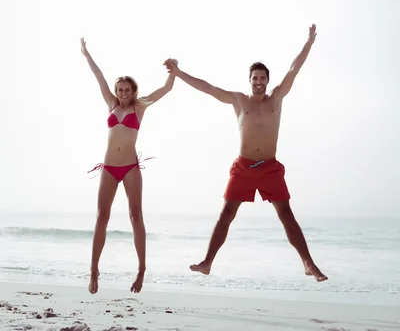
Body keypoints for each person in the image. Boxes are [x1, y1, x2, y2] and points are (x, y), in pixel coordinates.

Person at [164, 25, 327, 282]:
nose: (259, 82)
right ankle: (207, 262)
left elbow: (294, 69)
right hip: (243, 166)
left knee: (286, 214)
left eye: (263, 78)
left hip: (270, 167)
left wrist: (308, 43)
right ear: (249, 80)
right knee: (226, 213)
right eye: (255, 78)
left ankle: (308, 264)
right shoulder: (240, 101)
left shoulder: (276, 98)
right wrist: (179, 72)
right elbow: (207, 87)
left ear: (267, 80)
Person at [81, 38, 176, 294]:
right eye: (120, 90)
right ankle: (93, 270)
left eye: (127, 90)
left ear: (133, 92)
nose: (123, 94)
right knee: (102, 217)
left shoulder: (139, 106)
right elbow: (98, 75)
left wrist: (173, 71)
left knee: (136, 217)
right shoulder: (111, 104)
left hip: (131, 167)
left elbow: (165, 89)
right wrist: (85, 52)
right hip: (110, 168)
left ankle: (141, 270)